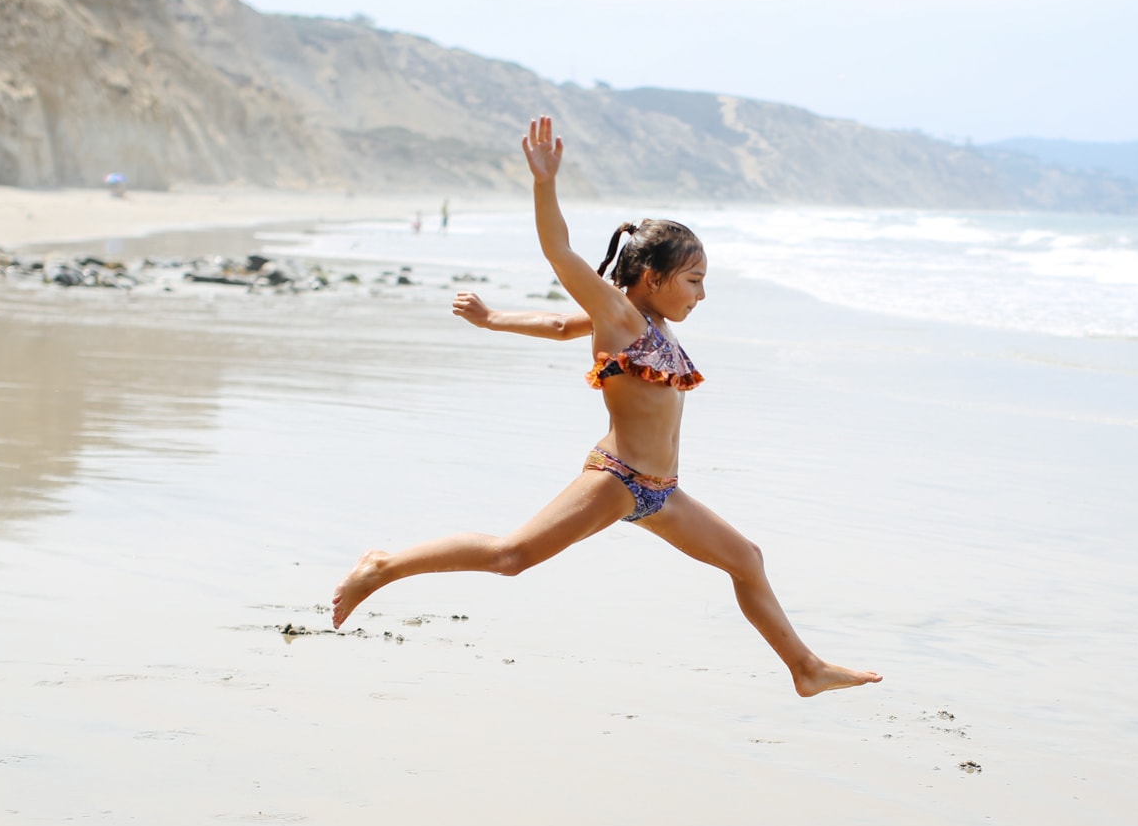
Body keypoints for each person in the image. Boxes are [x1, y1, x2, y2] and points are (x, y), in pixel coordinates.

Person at [332, 117, 880, 698]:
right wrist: (545, 183)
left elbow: (554, 324)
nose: (701, 293)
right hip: (615, 478)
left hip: (661, 492)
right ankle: (383, 566)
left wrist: (494, 318)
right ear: (651, 276)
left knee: (746, 559)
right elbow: (558, 251)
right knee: (511, 556)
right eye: (693, 280)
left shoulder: (649, 323)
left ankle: (805, 668)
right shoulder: (618, 316)